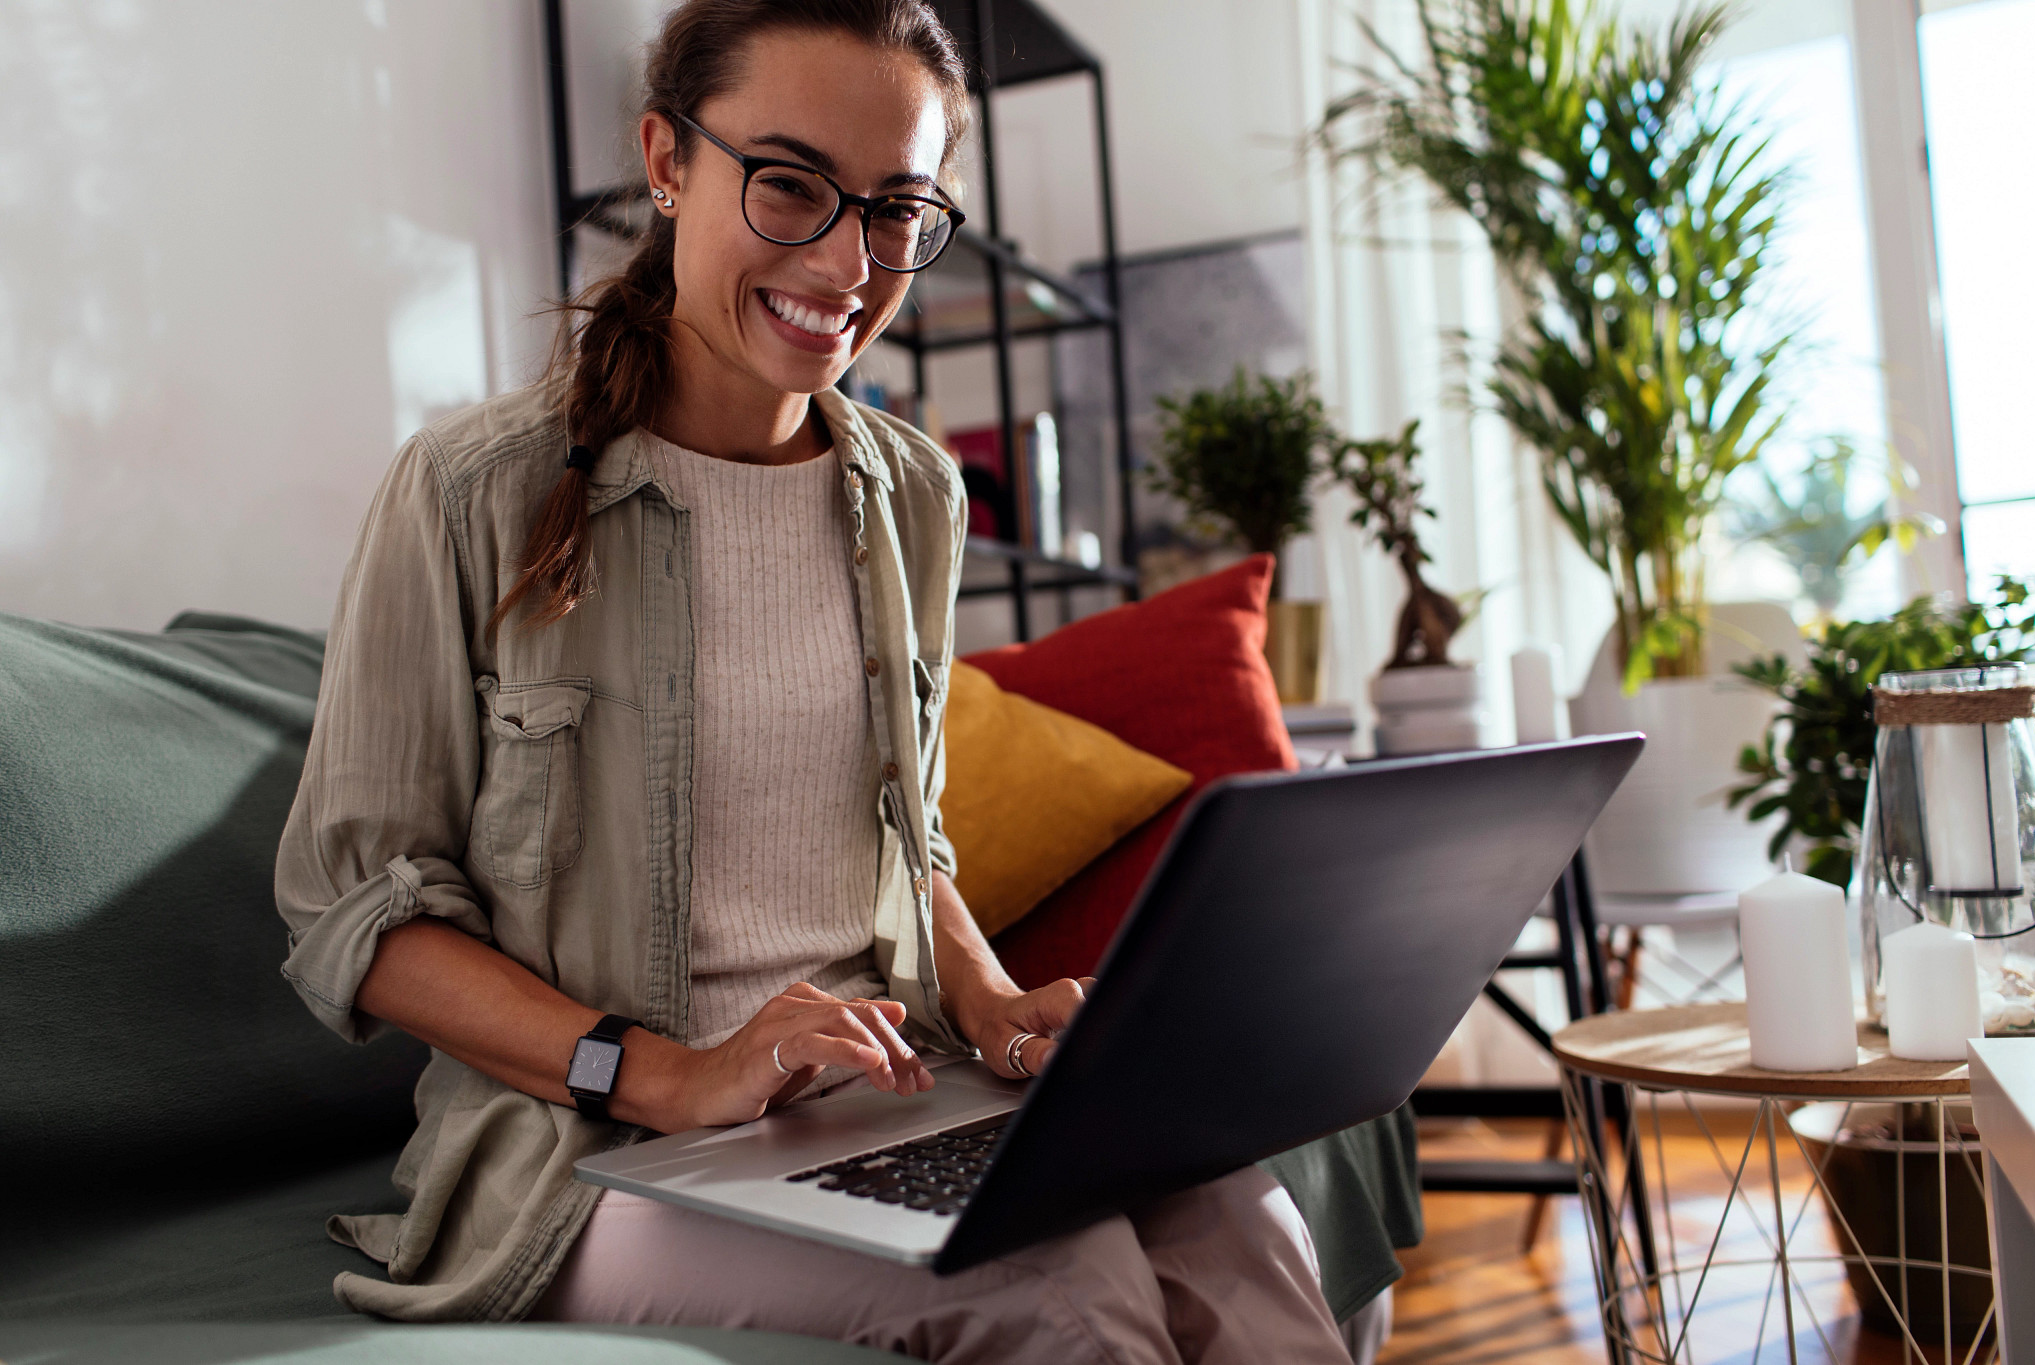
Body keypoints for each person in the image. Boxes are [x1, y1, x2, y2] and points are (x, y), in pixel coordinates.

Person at [276, 1, 1361, 1359]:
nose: (850, 260)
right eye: (790, 186)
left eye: (898, 209)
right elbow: (358, 913)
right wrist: (666, 1072)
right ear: (667, 160)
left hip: (888, 1102)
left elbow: (914, 840)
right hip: (586, 1153)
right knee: (1061, 1290)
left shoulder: (913, 494)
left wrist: (988, 1001)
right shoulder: (464, 493)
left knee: (1244, 1219)